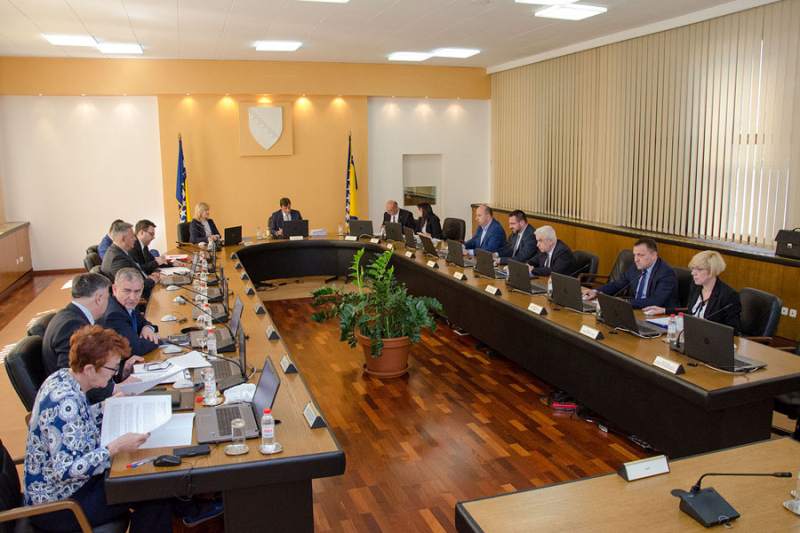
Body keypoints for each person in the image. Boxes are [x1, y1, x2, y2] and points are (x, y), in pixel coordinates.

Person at [25, 325, 173, 533]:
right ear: (88, 369)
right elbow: (66, 470)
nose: (114, 375)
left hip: (71, 488)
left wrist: (107, 406)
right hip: (60, 505)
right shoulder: (65, 403)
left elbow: (78, 422)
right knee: (153, 491)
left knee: (150, 483)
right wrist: (115, 447)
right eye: (112, 369)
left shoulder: (63, 377)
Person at [644, 250, 741, 332]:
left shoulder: (729, 296)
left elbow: (733, 331)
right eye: (693, 268)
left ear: (712, 271)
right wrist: (664, 310)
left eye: (699, 269)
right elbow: (691, 311)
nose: (693, 273)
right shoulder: (696, 286)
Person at [42, 272, 111, 377]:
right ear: (99, 298)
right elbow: (73, 375)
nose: (108, 302)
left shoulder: (71, 316)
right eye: (107, 298)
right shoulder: (72, 326)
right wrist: (114, 385)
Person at [585, 238, 678, 309]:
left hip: (658, 317)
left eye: (640, 255)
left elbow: (656, 301)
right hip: (637, 310)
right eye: (635, 255)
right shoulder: (635, 267)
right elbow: (617, 284)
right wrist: (596, 292)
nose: (636, 259)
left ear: (654, 255)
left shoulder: (666, 273)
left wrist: (625, 302)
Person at [99, 268, 160, 356]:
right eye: (127, 291)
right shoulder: (114, 315)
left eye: (137, 291)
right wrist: (156, 339)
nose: (132, 297)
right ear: (114, 289)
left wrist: (148, 328)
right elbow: (136, 349)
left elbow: (142, 322)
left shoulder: (125, 303)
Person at [101, 221, 159, 296]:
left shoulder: (119, 252)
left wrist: (148, 277)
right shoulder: (117, 259)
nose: (135, 239)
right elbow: (131, 286)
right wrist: (152, 280)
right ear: (123, 239)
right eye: (132, 236)